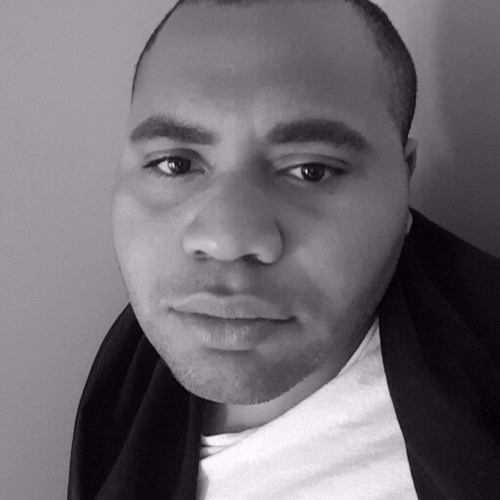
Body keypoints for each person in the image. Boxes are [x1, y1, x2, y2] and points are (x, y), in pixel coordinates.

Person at [68, 0, 500, 498]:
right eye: (175, 164)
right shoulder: (121, 391)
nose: (226, 242)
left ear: (404, 181)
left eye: (311, 171)